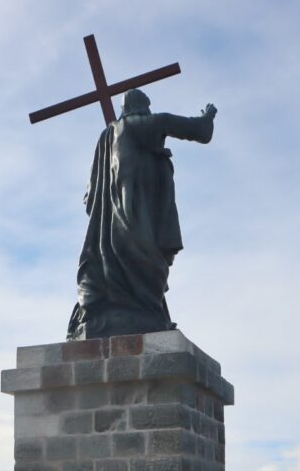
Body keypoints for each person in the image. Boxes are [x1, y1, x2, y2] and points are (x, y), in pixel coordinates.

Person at [67, 88, 218, 339]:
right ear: (143, 107)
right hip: (136, 215)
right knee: (143, 259)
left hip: (109, 224)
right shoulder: (148, 123)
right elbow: (198, 131)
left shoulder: (107, 137)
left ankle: (130, 309)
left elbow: (91, 194)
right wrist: (209, 115)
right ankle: (144, 311)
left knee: (117, 259)